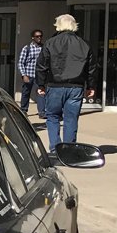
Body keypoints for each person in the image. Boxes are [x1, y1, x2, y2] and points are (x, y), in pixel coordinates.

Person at [36, 13, 99, 151]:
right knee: (71, 118)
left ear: (58, 26)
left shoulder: (50, 42)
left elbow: (42, 65)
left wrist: (41, 84)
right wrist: (91, 86)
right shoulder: (84, 43)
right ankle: (69, 149)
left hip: (55, 85)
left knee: (52, 116)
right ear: (74, 25)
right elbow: (91, 68)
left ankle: (55, 147)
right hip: (75, 86)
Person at [16, 28, 45, 116]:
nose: (39, 38)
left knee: (41, 93)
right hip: (29, 74)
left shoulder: (43, 48)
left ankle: (42, 112)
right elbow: (21, 62)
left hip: (39, 75)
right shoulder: (27, 48)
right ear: (33, 37)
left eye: (40, 36)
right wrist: (24, 75)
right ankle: (24, 110)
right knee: (26, 93)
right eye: (37, 36)